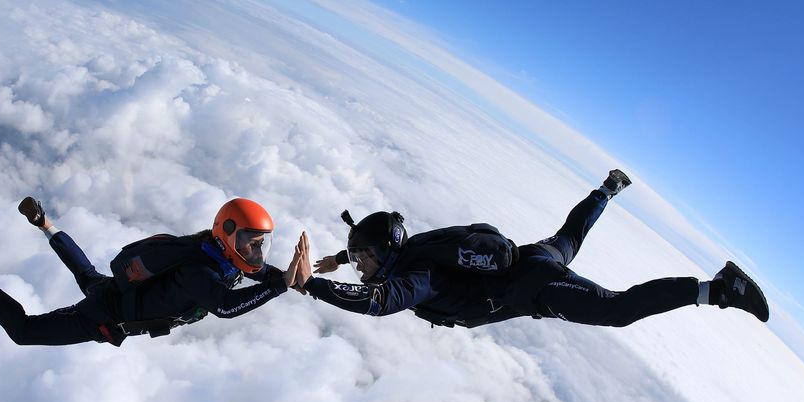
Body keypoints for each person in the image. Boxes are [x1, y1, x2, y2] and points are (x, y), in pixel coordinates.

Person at [290, 170, 769, 329]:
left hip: (536, 289)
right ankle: (606, 190)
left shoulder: (419, 277)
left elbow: (378, 301)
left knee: (618, 310)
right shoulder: (414, 248)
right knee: (568, 238)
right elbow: (374, 265)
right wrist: (339, 258)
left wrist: (313, 284)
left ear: (384, 251)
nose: (362, 269)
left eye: (364, 259)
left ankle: (719, 289)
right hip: (531, 256)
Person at [0, 197, 298, 346]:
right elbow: (226, 307)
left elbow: (260, 274)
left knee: (87, 274)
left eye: (261, 242)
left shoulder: (216, 254)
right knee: (24, 331)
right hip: (106, 315)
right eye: (252, 240)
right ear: (228, 233)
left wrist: (300, 280)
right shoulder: (203, 271)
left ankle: (46, 223)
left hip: (119, 293)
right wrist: (282, 285)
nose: (256, 249)